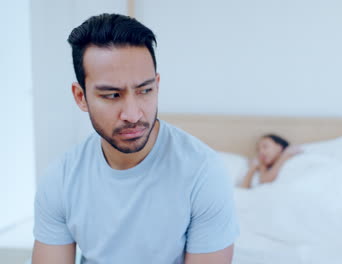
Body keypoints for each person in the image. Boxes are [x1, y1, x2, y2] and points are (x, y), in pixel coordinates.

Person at [32, 13, 239, 264]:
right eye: (112, 95)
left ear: (157, 85)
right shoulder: (61, 179)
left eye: (145, 90)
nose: (132, 114)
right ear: (80, 97)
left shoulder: (203, 173)